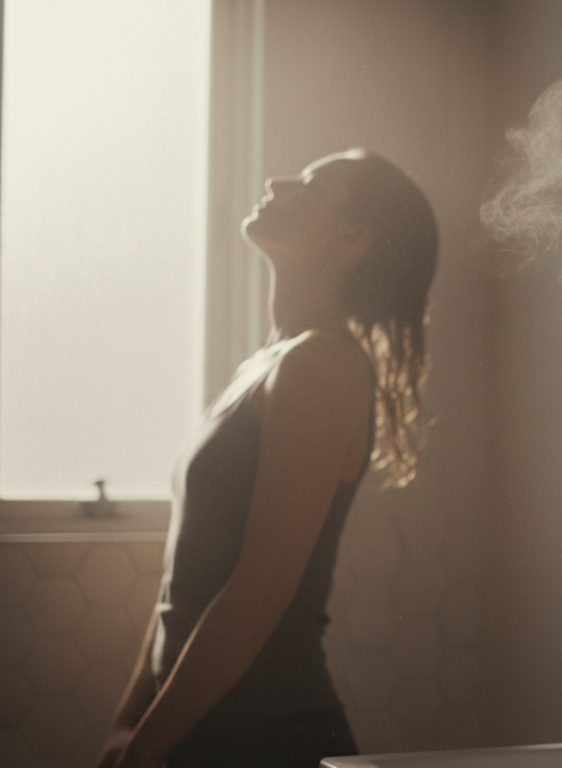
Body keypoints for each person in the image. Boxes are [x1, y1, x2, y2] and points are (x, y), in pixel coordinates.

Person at [96, 149, 437, 768]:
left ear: (352, 237)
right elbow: (189, 580)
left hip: (266, 736)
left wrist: (145, 745)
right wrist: (128, 726)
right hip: (199, 727)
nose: (278, 181)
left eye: (311, 182)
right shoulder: (269, 364)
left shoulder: (321, 366)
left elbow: (259, 588)